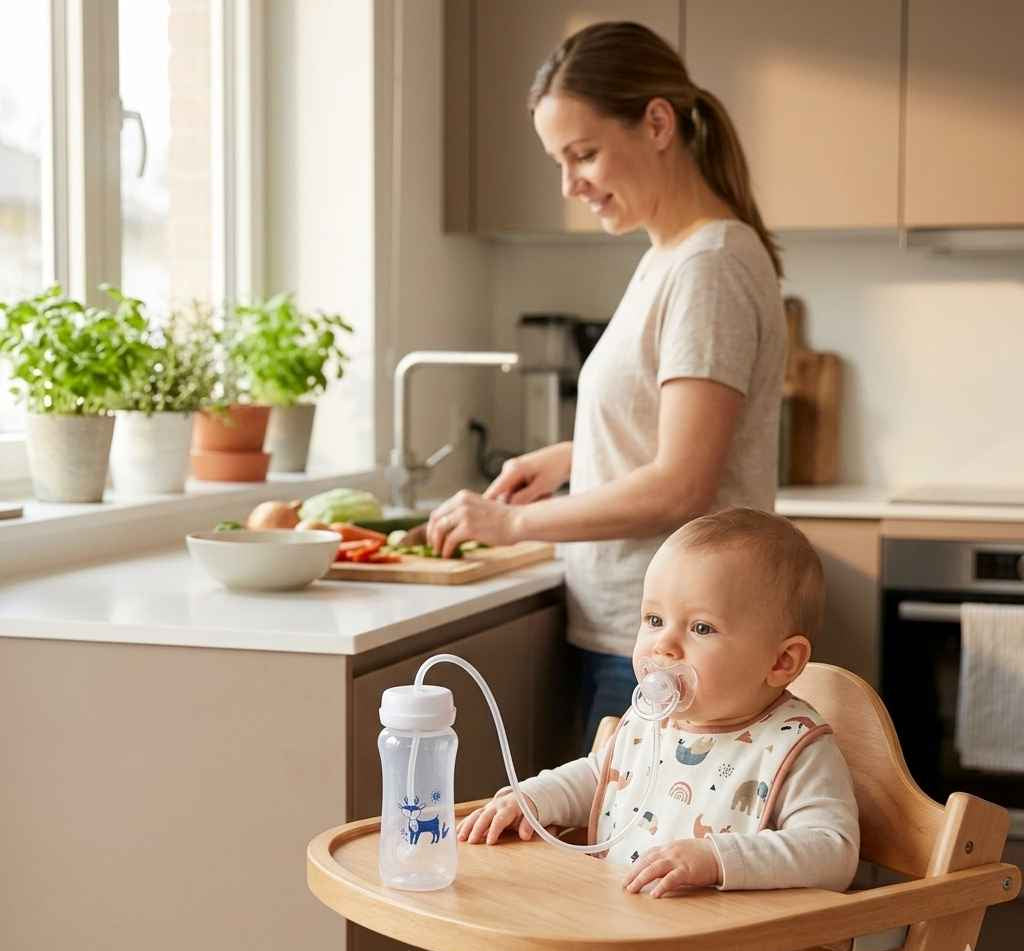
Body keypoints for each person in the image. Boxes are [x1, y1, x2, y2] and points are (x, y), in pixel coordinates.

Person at [426, 21, 787, 751]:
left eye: (583, 154)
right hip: (642, 634)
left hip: (667, 648)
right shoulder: (668, 256)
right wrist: (570, 458)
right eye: (559, 161)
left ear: (656, 123)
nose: (571, 185)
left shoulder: (708, 267)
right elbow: (663, 424)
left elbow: (682, 485)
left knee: (632, 831)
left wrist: (513, 525)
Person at [457, 509, 860, 897]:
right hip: (622, 921)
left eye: (701, 627)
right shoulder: (650, 721)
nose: (664, 645)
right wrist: (532, 799)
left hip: (725, 931)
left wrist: (717, 860)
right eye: (654, 620)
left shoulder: (796, 747)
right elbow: (601, 777)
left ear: (781, 661)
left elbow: (832, 851)